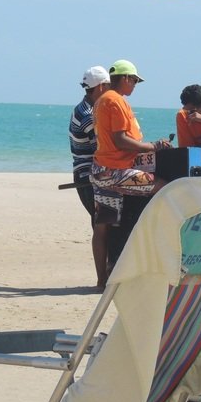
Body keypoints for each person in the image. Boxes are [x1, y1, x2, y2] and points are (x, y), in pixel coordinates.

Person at [91, 59, 171, 230]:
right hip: (116, 171)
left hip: (100, 170)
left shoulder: (100, 100)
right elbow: (121, 140)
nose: (135, 85)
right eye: (135, 81)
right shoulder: (116, 101)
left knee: (104, 227)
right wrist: (154, 146)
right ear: (126, 78)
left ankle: (109, 258)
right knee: (166, 188)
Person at [69, 66, 111, 288]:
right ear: (101, 87)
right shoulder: (89, 115)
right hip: (88, 175)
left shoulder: (88, 108)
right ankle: (103, 279)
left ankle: (105, 275)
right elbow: (105, 146)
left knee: (101, 222)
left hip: (87, 173)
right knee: (102, 223)